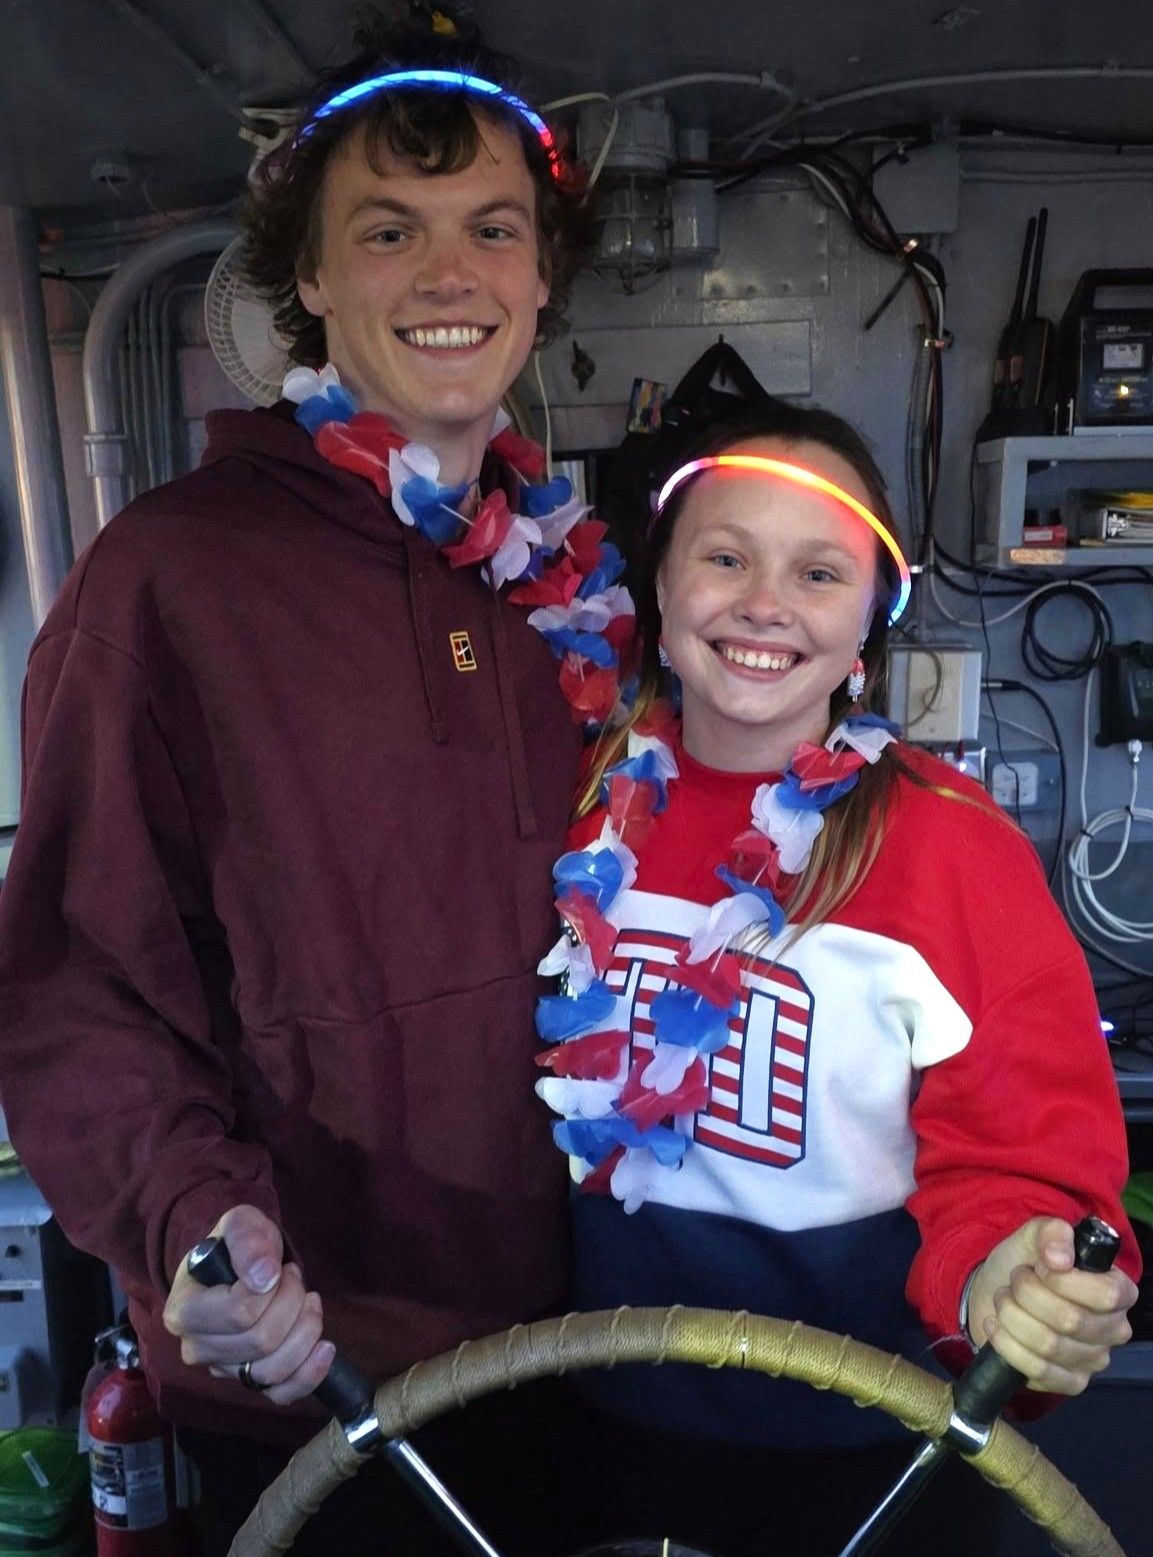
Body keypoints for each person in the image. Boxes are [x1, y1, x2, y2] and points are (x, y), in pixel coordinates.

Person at [0, 11, 612, 1554]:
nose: (450, 275)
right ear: (313, 278)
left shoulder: (582, 591)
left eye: (493, 230)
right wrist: (193, 1227)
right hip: (312, 1378)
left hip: (589, 1339)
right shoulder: (169, 578)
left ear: (542, 276)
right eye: (388, 232)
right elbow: (78, 984)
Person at [535, 400, 1141, 1556]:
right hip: (597, 1428)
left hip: (880, 1455)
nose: (764, 603)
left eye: (817, 573)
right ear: (660, 591)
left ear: (869, 621)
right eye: (725, 557)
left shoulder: (952, 848)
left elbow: (1022, 1162)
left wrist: (1015, 1272)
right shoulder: (574, 803)